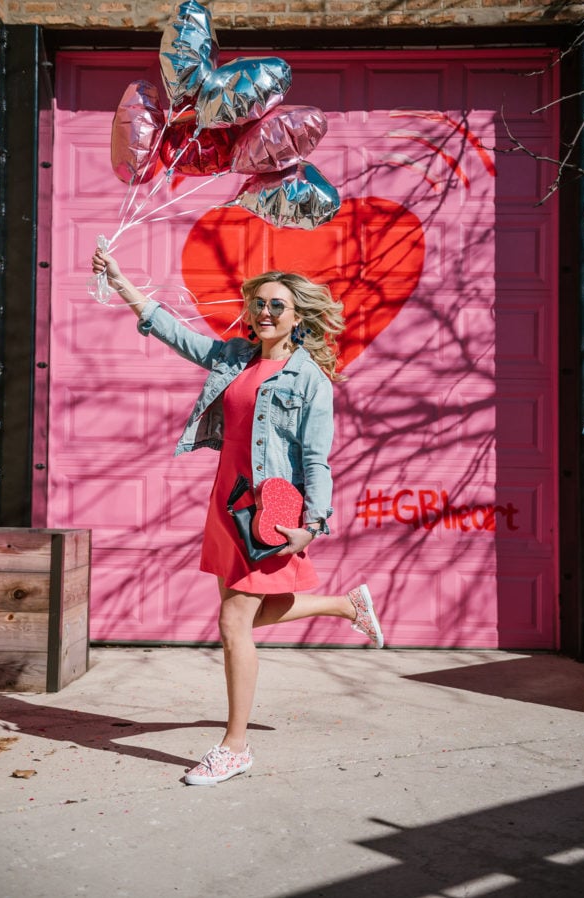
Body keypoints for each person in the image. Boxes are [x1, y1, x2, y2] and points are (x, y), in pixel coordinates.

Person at [91, 247, 384, 786]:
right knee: (241, 620)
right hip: (228, 502)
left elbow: (316, 458)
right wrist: (120, 280)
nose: (265, 312)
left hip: (270, 509)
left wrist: (315, 524)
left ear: (299, 316)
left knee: (233, 625)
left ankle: (234, 746)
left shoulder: (309, 380)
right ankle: (346, 605)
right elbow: (174, 334)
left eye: (277, 304)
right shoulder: (234, 358)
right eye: (258, 304)